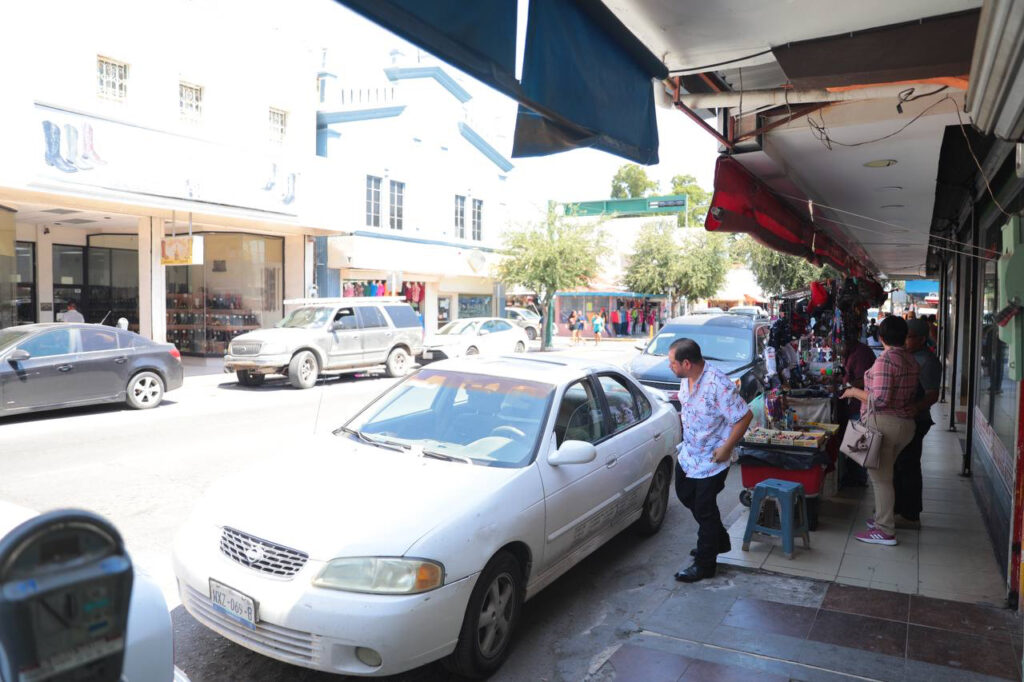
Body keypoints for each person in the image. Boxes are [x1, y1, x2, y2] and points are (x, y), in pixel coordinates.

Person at [669, 338, 753, 583]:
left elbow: (744, 416)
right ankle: (718, 539)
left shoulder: (719, 384)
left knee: (705, 510)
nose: (670, 367)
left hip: (713, 458)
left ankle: (705, 563)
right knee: (685, 495)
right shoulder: (687, 379)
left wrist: (727, 448)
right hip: (690, 453)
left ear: (686, 363)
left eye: (672, 363)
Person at [840, 316, 919, 545]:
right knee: (885, 474)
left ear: (880, 337)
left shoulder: (887, 360)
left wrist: (853, 392)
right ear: (904, 336)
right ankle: (881, 519)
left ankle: (885, 530)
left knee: (880, 478)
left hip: (885, 423)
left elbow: (881, 399)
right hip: (904, 424)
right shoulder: (910, 359)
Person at [892, 319, 941, 527]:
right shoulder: (908, 356)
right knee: (898, 465)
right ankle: (897, 509)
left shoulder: (927, 362)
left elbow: (932, 394)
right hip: (902, 419)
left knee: (909, 466)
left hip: (916, 421)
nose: (905, 340)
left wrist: (917, 407)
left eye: (909, 337)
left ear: (921, 339)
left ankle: (911, 515)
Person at [841, 334, 877, 487]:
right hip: (855, 403)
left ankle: (858, 478)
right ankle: (854, 474)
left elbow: (864, 380)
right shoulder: (851, 352)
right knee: (854, 439)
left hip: (860, 404)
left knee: (858, 439)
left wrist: (847, 386)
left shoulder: (861, 353)